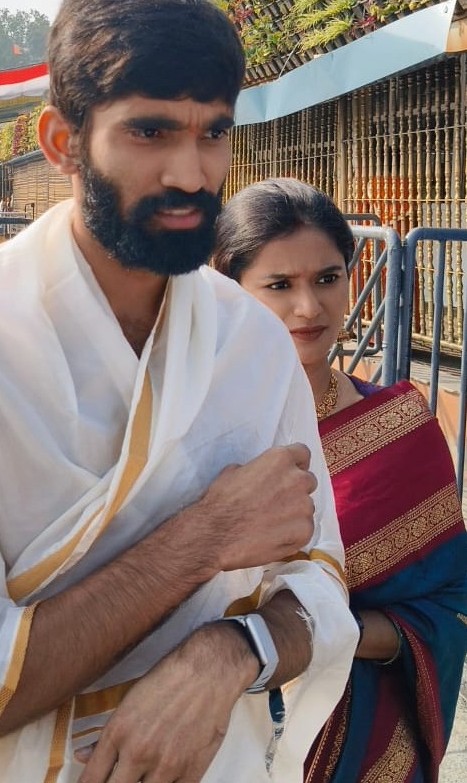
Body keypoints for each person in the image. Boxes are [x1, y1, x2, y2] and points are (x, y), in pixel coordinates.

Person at [0, 0, 357, 783]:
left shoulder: (249, 341)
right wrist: (203, 539)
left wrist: (230, 651)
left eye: (212, 133)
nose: (192, 174)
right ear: (61, 141)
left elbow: (317, 581)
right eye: (150, 133)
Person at [213, 177, 467, 783]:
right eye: (279, 285)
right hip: (206, 732)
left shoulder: (399, 425)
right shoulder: (193, 431)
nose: (310, 307)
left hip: (360, 740)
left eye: (327, 278)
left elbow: (448, 607)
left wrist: (318, 638)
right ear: (229, 291)